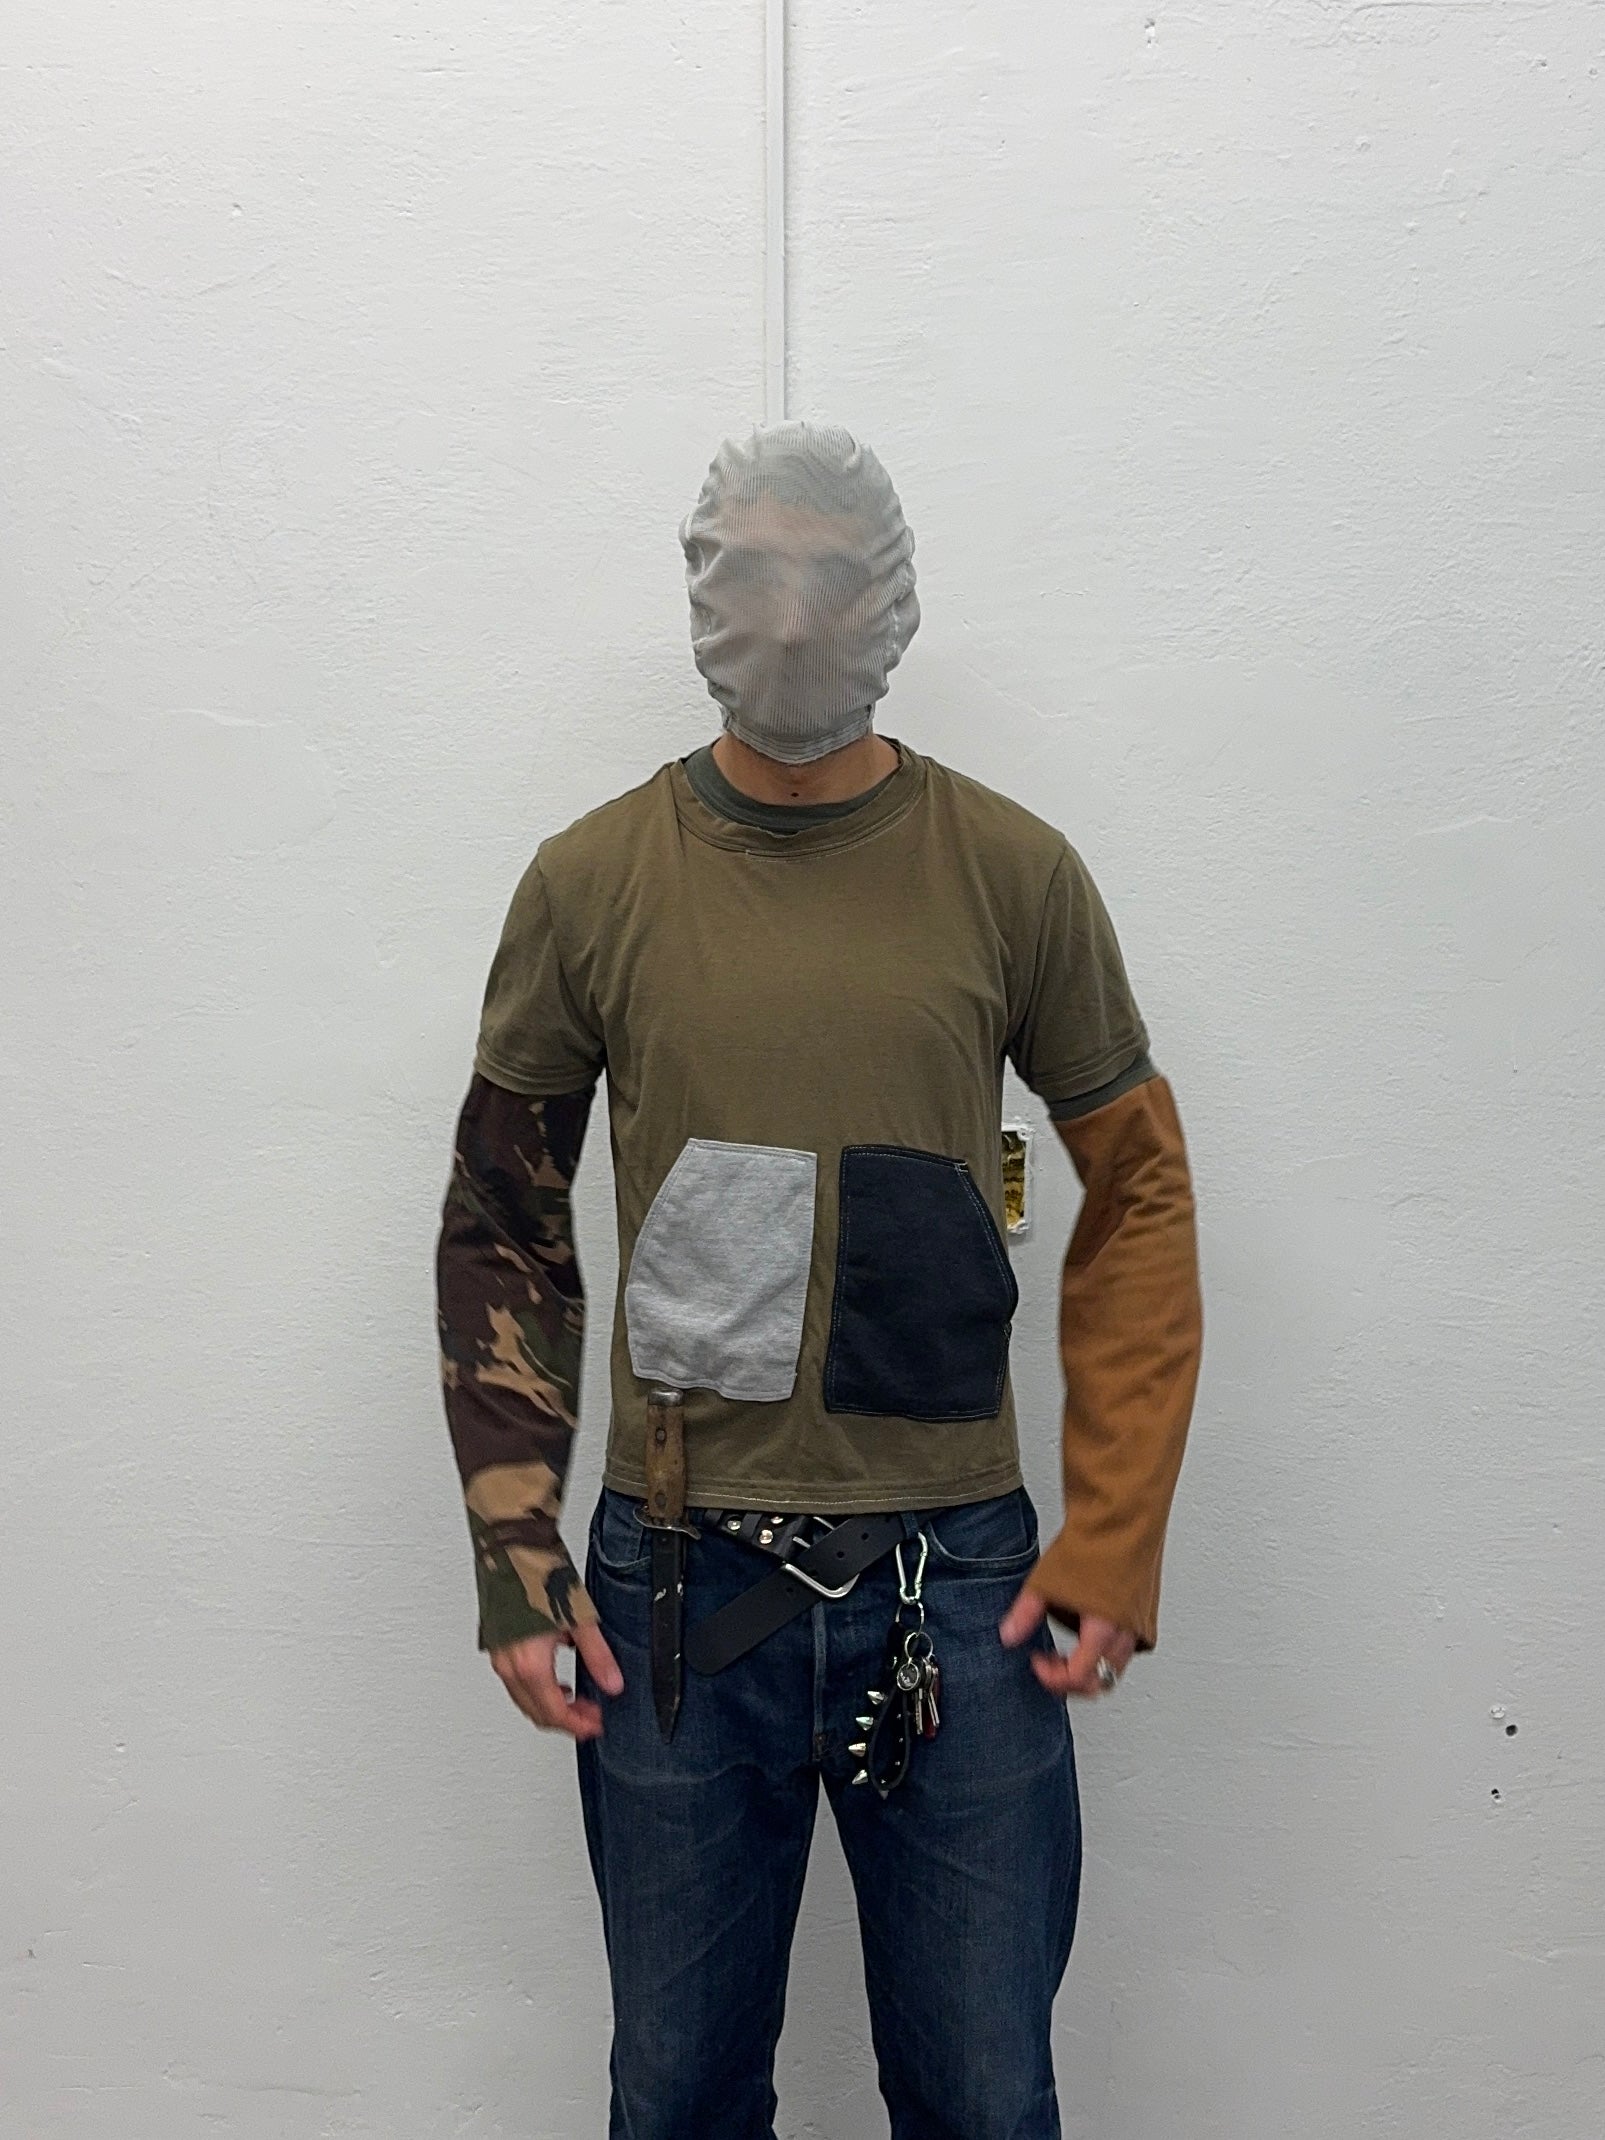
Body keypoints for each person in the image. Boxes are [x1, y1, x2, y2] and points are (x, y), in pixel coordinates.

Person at [435, 420, 1203, 2140]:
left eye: (830, 578)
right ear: (700, 594)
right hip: (670, 1587)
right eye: (755, 577)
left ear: (894, 598)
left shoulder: (1010, 872)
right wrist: (513, 1551)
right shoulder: (592, 880)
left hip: (961, 1581)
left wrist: (1114, 1532)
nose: (790, 620)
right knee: (677, 2097)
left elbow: (1140, 1188)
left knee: (984, 2097)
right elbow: (502, 1218)